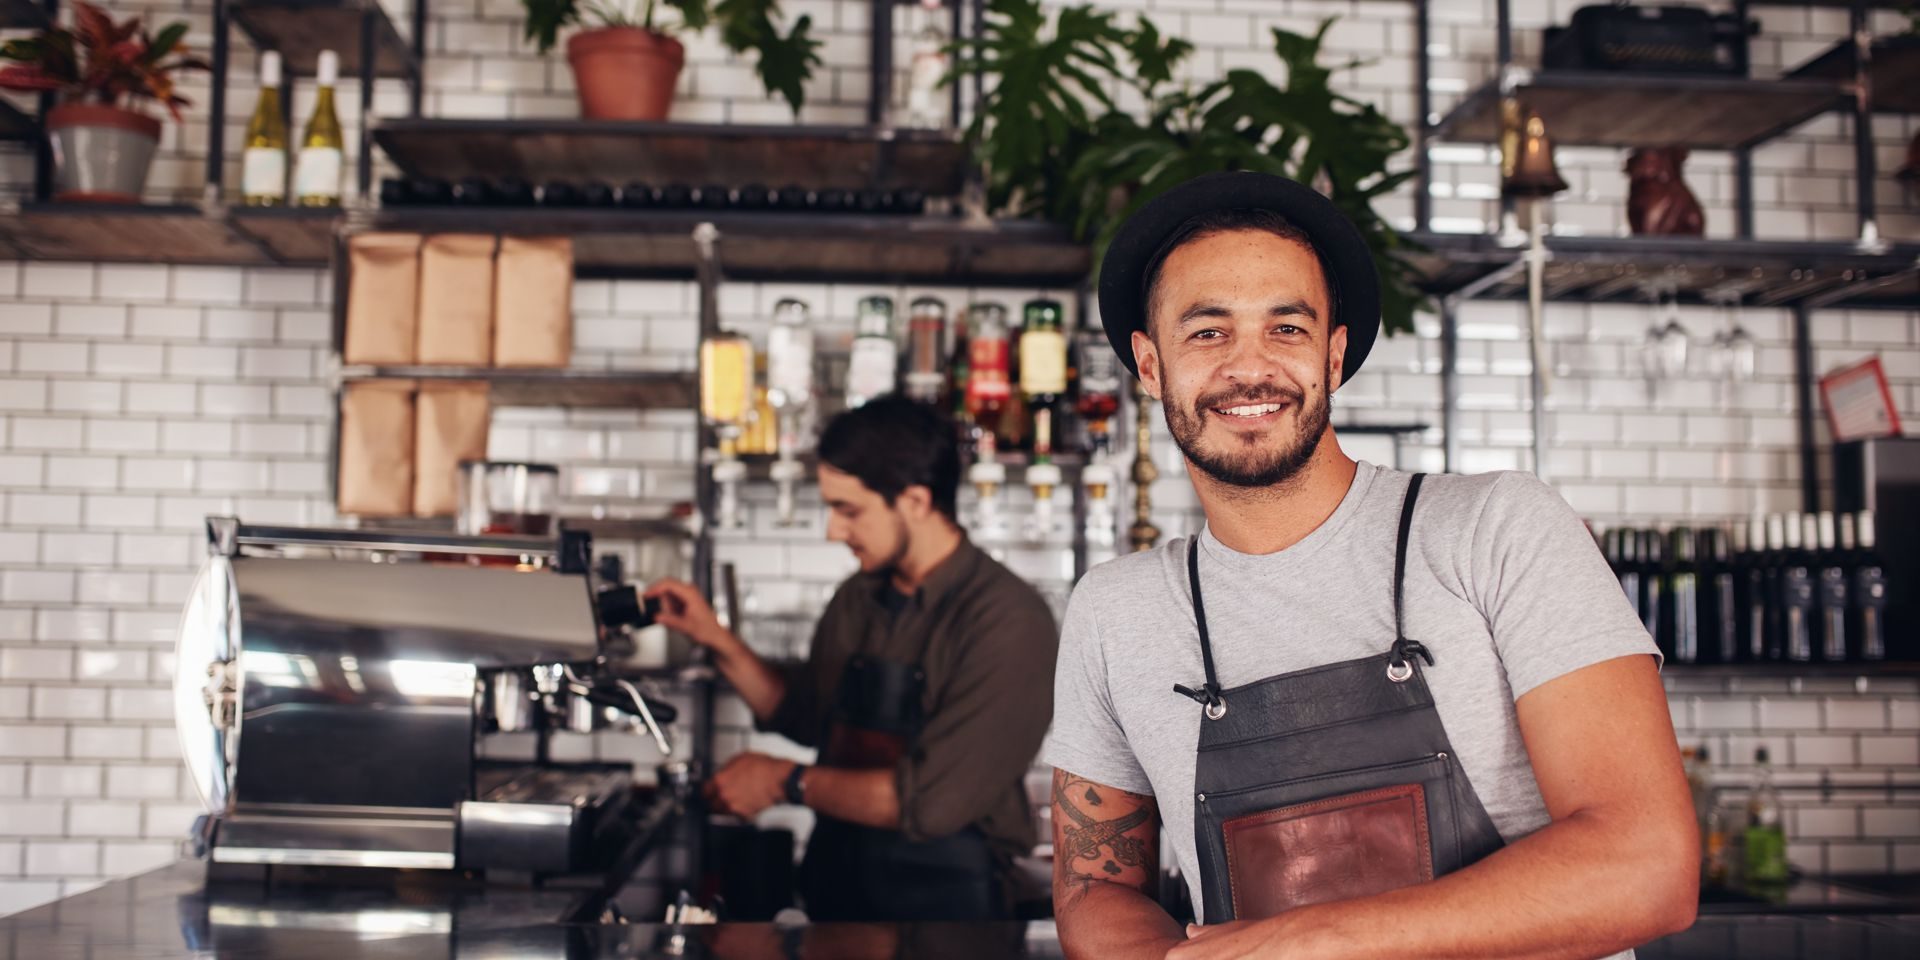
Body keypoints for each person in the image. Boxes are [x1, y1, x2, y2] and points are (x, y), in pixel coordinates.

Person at [1044, 172, 1699, 959]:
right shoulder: (1115, 613)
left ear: (1334, 353)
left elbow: (1649, 865)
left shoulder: (1495, 529)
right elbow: (1095, 888)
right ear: (1150, 367)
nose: (1250, 369)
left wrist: (1308, 943)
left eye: (1286, 329)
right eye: (1208, 332)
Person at [646, 395, 1057, 922]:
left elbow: (932, 804)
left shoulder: (1007, 620)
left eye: (849, 510)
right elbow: (808, 715)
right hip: (837, 893)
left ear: (915, 501)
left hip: (948, 914)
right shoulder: (858, 598)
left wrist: (782, 781)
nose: (833, 531)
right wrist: (715, 638)